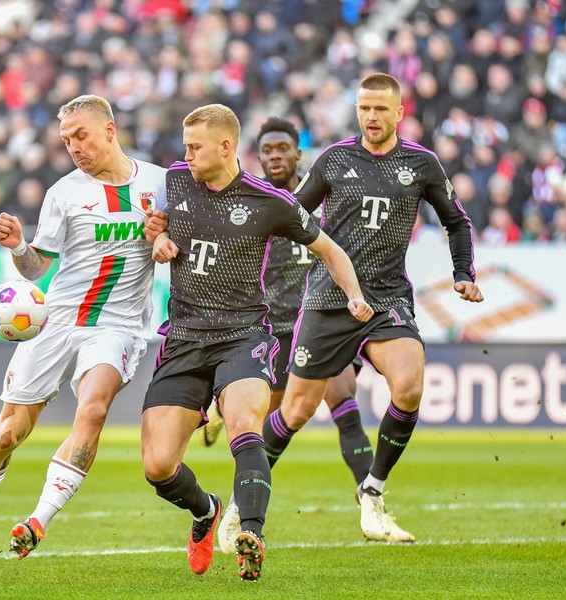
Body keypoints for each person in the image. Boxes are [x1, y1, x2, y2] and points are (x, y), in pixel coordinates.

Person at [141, 104, 372, 581]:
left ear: (225, 147)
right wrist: (156, 237)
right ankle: (206, 510)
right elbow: (155, 223)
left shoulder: (271, 202)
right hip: (183, 337)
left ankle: (251, 532)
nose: (184, 155)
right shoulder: (178, 179)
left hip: (243, 335)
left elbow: (329, 249)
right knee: (159, 466)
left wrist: (354, 296)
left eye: (194, 146)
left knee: (245, 422)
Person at [0, 94, 167, 572]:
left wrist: (164, 239)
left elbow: (180, 241)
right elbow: (35, 267)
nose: (74, 147)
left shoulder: (159, 183)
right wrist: (20, 245)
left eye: (81, 136)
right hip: (56, 321)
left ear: (109, 130)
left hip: (118, 325)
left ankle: (39, 520)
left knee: (94, 407)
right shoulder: (64, 193)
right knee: (6, 436)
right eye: (67, 141)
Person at [261, 73, 484, 543]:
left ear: (399, 113)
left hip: (386, 298)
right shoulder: (335, 159)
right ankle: (245, 502)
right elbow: (291, 214)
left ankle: (372, 491)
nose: (371, 116)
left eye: (381, 109)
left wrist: (463, 273)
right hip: (328, 299)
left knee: (409, 385)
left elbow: (456, 221)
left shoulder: (420, 164)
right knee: (296, 410)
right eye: (364, 108)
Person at [212, 117, 375, 554]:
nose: (275, 156)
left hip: (319, 319)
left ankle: (370, 498)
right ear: (258, 155)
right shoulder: (253, 202)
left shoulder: (321, 201)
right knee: (274, 416)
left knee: (343, 394)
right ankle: (237, 497)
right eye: (267, 150)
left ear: (297, 152)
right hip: (273, 325)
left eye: (283, 148)